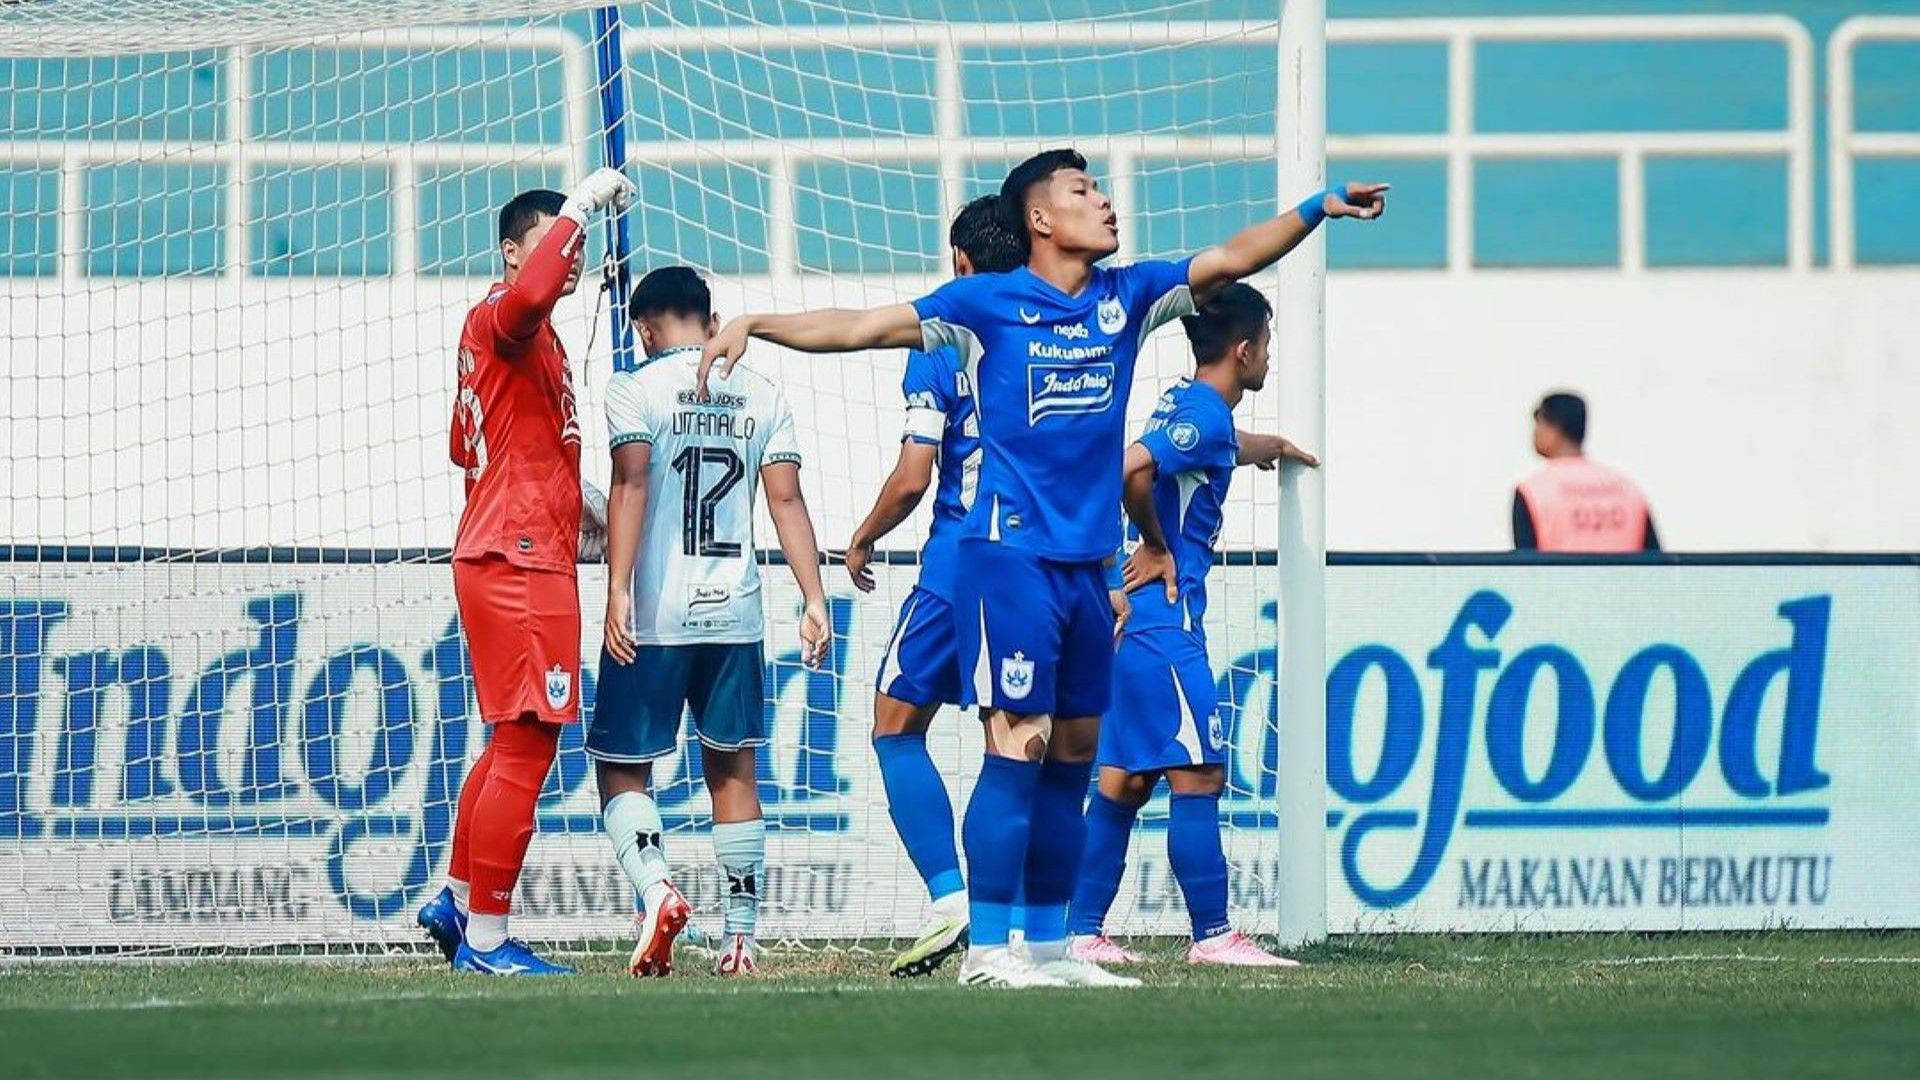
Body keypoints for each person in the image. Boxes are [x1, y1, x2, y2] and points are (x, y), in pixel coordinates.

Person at [700, 148, 1386, 987]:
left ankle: (1052, 948)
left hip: (1090, 568)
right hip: (1007, 557)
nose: (1103, 201)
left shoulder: (1129, 297)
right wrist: (758, 323)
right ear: (1040, 220)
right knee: (1015, 744)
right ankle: (989, 951)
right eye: (1082, 191)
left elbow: (1235, 256)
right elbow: (859, 326)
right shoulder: (983, 303)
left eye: (1098, 188)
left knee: (1073, 753)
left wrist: (1318, 206)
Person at [415, 167, 637, 976]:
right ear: (512, 254)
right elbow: (532, 298)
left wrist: (574, 507)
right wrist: (582, 205)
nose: (568, 257)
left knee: (511, 739)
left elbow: (468, 446)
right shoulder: (504, 318)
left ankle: (456, 898)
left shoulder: (530, 343)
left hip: (513, 547)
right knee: (530, 745)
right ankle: (486, 939)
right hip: (517, 559)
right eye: (549, 245)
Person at [593, 266, 832, 978]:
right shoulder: (761, 393)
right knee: (732, 771)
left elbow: (631, 482)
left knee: (622, 769)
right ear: (711, 316)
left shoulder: (632, 386)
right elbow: (786, 501)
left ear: (642, 327)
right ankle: (740, 940)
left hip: (659, 613)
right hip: (737, 614)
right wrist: (813, 598)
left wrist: (616, 591)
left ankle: (657, 888)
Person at [1067, 284, 1315, 967]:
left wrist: (1271, 446)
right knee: (1200, 772)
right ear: (1244, 350)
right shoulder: (1202, 414)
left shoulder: (1189, 403)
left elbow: (1213, 443)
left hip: (1128, 623)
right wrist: (1153, 543)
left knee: (1124, 781)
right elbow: (1130, 469)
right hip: (1159, 624)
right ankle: (1213, 935)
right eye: (1266, 344)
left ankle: (1081, 931)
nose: (1268, 356)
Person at [843, 195, 1024, 979]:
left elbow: (917, 473)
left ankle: (956, 902)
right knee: (1017, 741)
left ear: (960, 262)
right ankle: (1018, 926)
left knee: (895, 722)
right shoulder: (1061, 329)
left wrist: (863, 534)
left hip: (962, 562)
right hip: (1047, 565)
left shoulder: (945, 335)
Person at [1513, 392, 1660, 552]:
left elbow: (1526, 569)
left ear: (1553, 428)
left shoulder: (1532, 491)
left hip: (1563, 578)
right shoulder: (1628, 488)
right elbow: (1656, 565)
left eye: (1537, 421)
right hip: (1622, 578)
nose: (1534, 432)